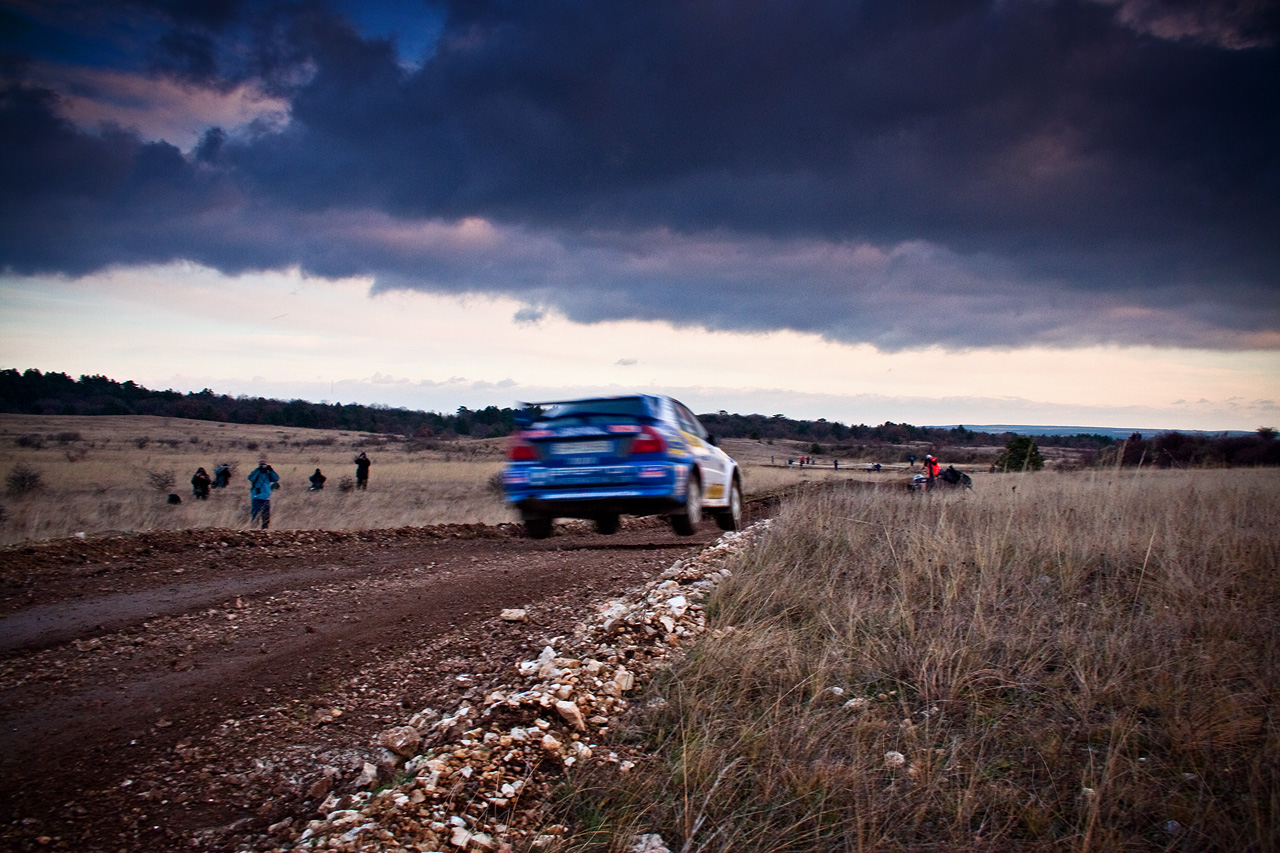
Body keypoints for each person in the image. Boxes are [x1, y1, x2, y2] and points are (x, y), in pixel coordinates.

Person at [248, 459, 279, 528]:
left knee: (266, 516)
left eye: (264, 465)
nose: (263, 466)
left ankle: (264, 530)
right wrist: (258, 470)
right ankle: (254, 529)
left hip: (266, 497)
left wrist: (271, 470)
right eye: (261, 465)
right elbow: (251, 478)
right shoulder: (256, 472)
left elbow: (276, 478)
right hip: (257, 497)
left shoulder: (268, 473)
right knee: (255, 515)